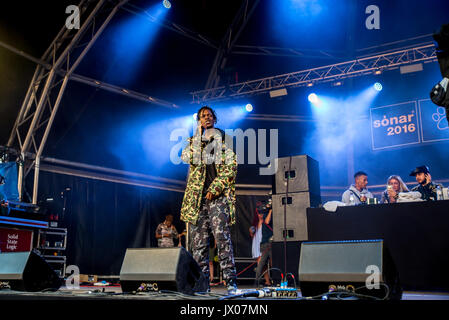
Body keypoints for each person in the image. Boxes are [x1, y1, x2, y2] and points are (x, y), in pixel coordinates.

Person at [180, 105, 238, 294]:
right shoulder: (194, 141)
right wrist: (198, 135)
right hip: (197, 200)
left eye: (209, 115)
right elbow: (186, 157)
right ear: (199, 120)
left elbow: (231, 167)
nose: (207, 118)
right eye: (203, 116)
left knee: (222, 240)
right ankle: (201, 285)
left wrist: (215, 188)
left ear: (214, 119)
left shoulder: (224, 140)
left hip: (218, 199)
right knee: (198, 245)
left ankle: (231, 283)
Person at [249, 201, 270, 286]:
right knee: (262, 263)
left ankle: (258, 279)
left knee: (262, 263)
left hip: (263, 243)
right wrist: (251, 231)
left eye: (261, 213)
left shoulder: (266, 221)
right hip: (257, 243)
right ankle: (266, 281)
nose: (260, 215)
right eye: (259, 213)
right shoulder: (255, 223)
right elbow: (252, 234)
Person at [254, 200, 273, 287]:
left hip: (271, 243)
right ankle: (256, 281)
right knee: (262, 264)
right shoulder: (265, 216)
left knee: (272, 263)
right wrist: (270, 210)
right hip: (265, 244)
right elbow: (267, 222)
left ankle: (274, 280)